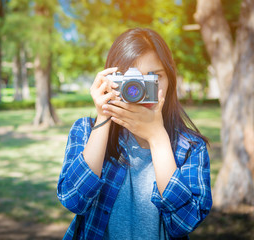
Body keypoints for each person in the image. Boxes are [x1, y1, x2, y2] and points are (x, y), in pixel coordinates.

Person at [57, 28, 212, 240]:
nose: (136, 88)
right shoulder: (86, 131)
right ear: (109, 80)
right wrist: (103, 117)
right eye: (129, 79)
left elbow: (184, 223)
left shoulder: (190, 147)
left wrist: (158, 138)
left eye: (153, 77)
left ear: (170, 80)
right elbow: (73, 200)